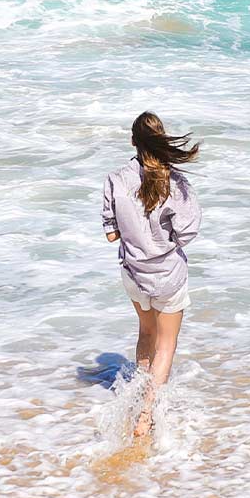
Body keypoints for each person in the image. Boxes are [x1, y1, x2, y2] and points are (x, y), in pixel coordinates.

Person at [101, 111, 201, 439]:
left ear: (133, 141)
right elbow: (186, 234)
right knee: (166, 344)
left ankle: (136, 397)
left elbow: (111, 235)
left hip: (133, 273)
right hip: (168, 274)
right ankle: (146, 415)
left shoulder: (115, 179)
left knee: (146, 333)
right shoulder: (175, 183)